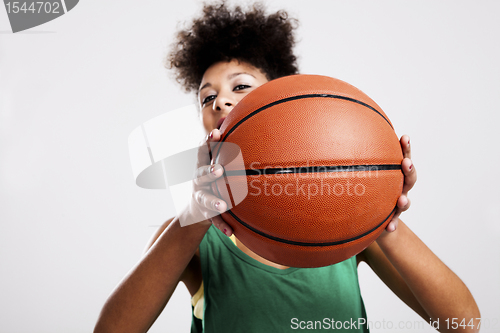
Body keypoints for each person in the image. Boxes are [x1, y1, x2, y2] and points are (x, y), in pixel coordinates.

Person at [94, 2, 480, 332]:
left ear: (285, 102)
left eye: (241, 87)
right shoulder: (192, 238)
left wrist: (384, 216)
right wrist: (196, 215)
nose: (219, 102)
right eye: (206, 97)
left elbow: (464, 323)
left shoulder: (345, 221)